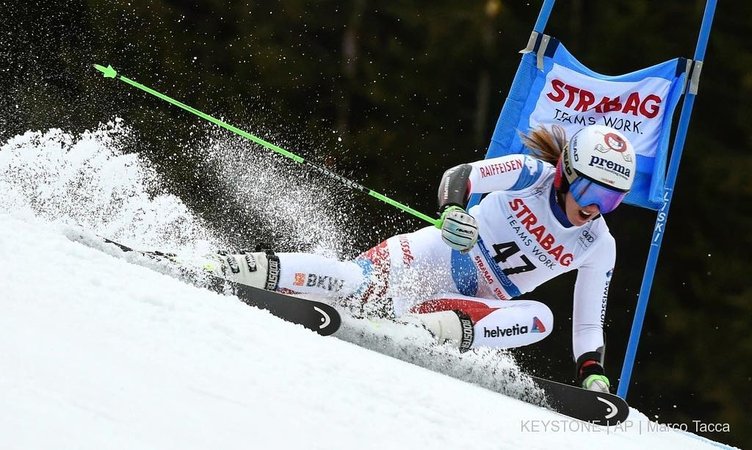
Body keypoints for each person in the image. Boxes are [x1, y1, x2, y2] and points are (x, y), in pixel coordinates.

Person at [206, 124, 636, 393]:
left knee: (542, 319)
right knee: (350, 281)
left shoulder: (598, 244)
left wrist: (591, 373)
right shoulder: (532, 175)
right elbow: (463, 176)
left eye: (612, 199)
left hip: (470, 306)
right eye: (590, 192)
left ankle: (418, 331)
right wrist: (452, 211)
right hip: (438, 255)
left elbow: (586, 324)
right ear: (566, 174)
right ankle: (233, 268)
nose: (596, 207)